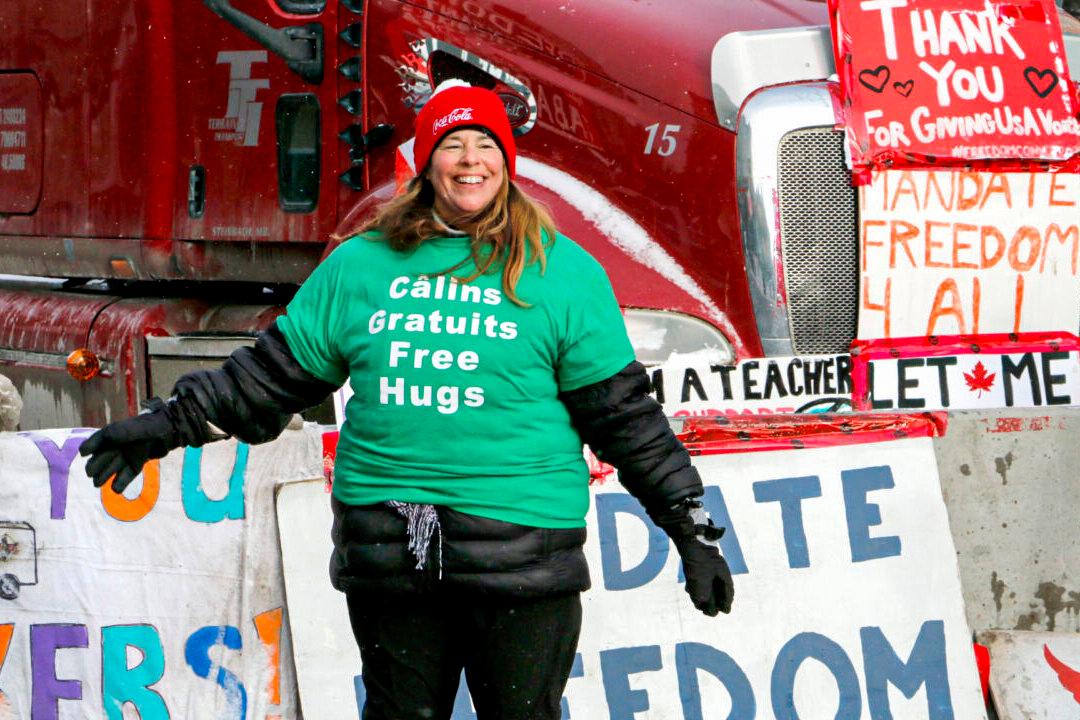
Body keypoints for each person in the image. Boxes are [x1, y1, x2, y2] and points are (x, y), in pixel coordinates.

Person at [80, 80, 734, 720]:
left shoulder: (560, 272)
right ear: (426, 164)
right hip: (392, 555)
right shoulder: (361, 266)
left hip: (522, 556)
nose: (470, 160)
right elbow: (268, 378)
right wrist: (164, 425)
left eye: (485, 145)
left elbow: (625, 419)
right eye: (454, 145)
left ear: (506, 161)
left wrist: (690, 528)